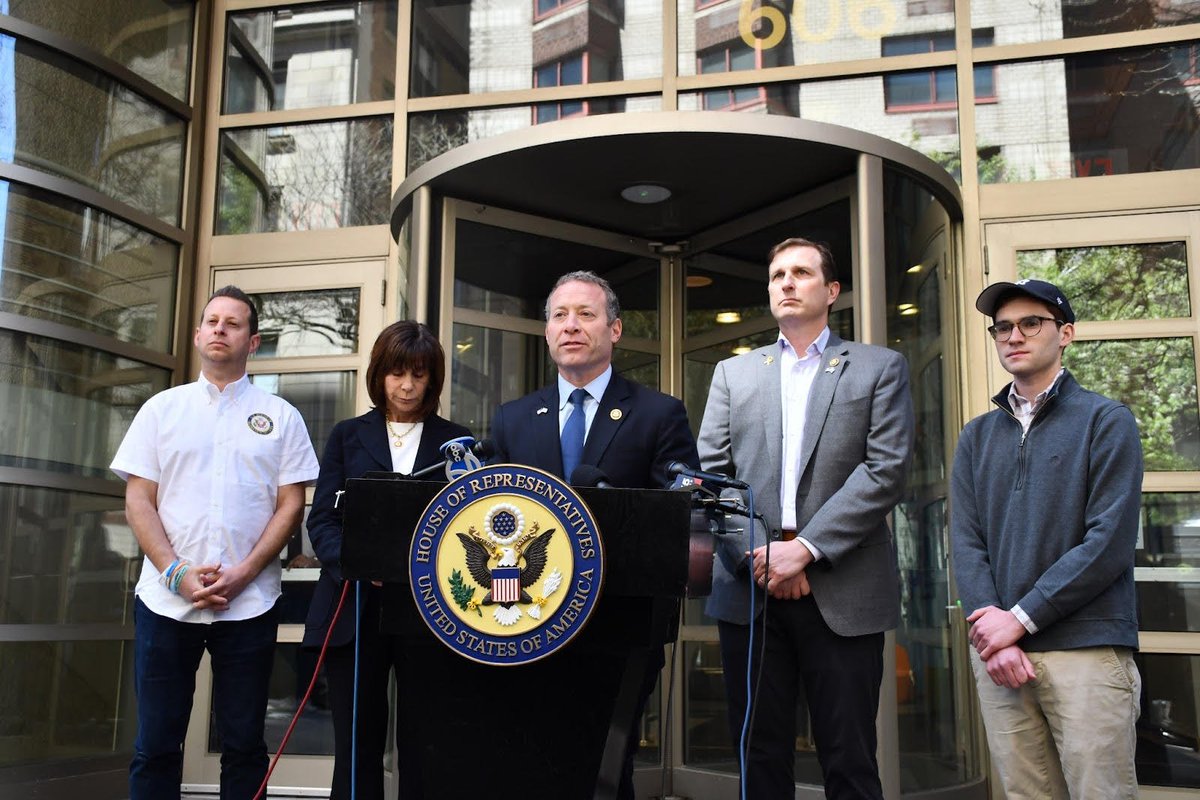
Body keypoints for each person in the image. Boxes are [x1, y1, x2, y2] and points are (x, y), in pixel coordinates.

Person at [697, 237, 914, 799]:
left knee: (849, 759)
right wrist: (761, 554)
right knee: (760, 757)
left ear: (832, 290)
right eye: (777, 275)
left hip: (842, 590)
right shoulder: (733, 374)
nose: (786, 283)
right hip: (752, 590)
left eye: (801, 273)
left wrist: (806, 549)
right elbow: (712, 476)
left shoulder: (878, 367)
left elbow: (885, 471)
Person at [489, 270, 700, 799]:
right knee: (535, 758)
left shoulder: (658, 414)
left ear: (616, 329)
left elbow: (680, 512)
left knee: (606, 766)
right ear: (546, 333)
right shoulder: (514, 420)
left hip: (622, 623)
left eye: (586, 314)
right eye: (559, 315)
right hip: (529, 621)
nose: (571, 326)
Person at [111, 286, 320, 800]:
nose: (221, 329)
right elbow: (139, 501)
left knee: (244, 746)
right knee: (155, 746)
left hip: (248, 604)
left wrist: (245, 572)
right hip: (165, 603)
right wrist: (175, 571)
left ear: (253, 342)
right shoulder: (162, 409)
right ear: (200, 333)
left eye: (234, 323)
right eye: (213, 321)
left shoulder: (283, 417)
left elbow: (290, 504)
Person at [951, 279, 1142, 800]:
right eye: (1003, 327)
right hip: (1000, 657)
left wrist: (1018, 620)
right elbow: (966, 541)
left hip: (1086, 649)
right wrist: (994, 631)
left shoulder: (1107, 421)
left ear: (1066, 334)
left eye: (1031, 323)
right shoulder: (976, 436)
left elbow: (1108, 543)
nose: (1014, 336)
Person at [302, 320, 471, 800]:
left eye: (419, 374)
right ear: (380, 374)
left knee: (427, 741)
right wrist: (360, 565)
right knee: (357, 742)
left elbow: (468, 526)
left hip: (432, 614)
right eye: (398, 373)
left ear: (432, 379)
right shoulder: (347, 435)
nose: (408, 385)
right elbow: (322, 524)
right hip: (355, 609)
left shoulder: (458, 441)